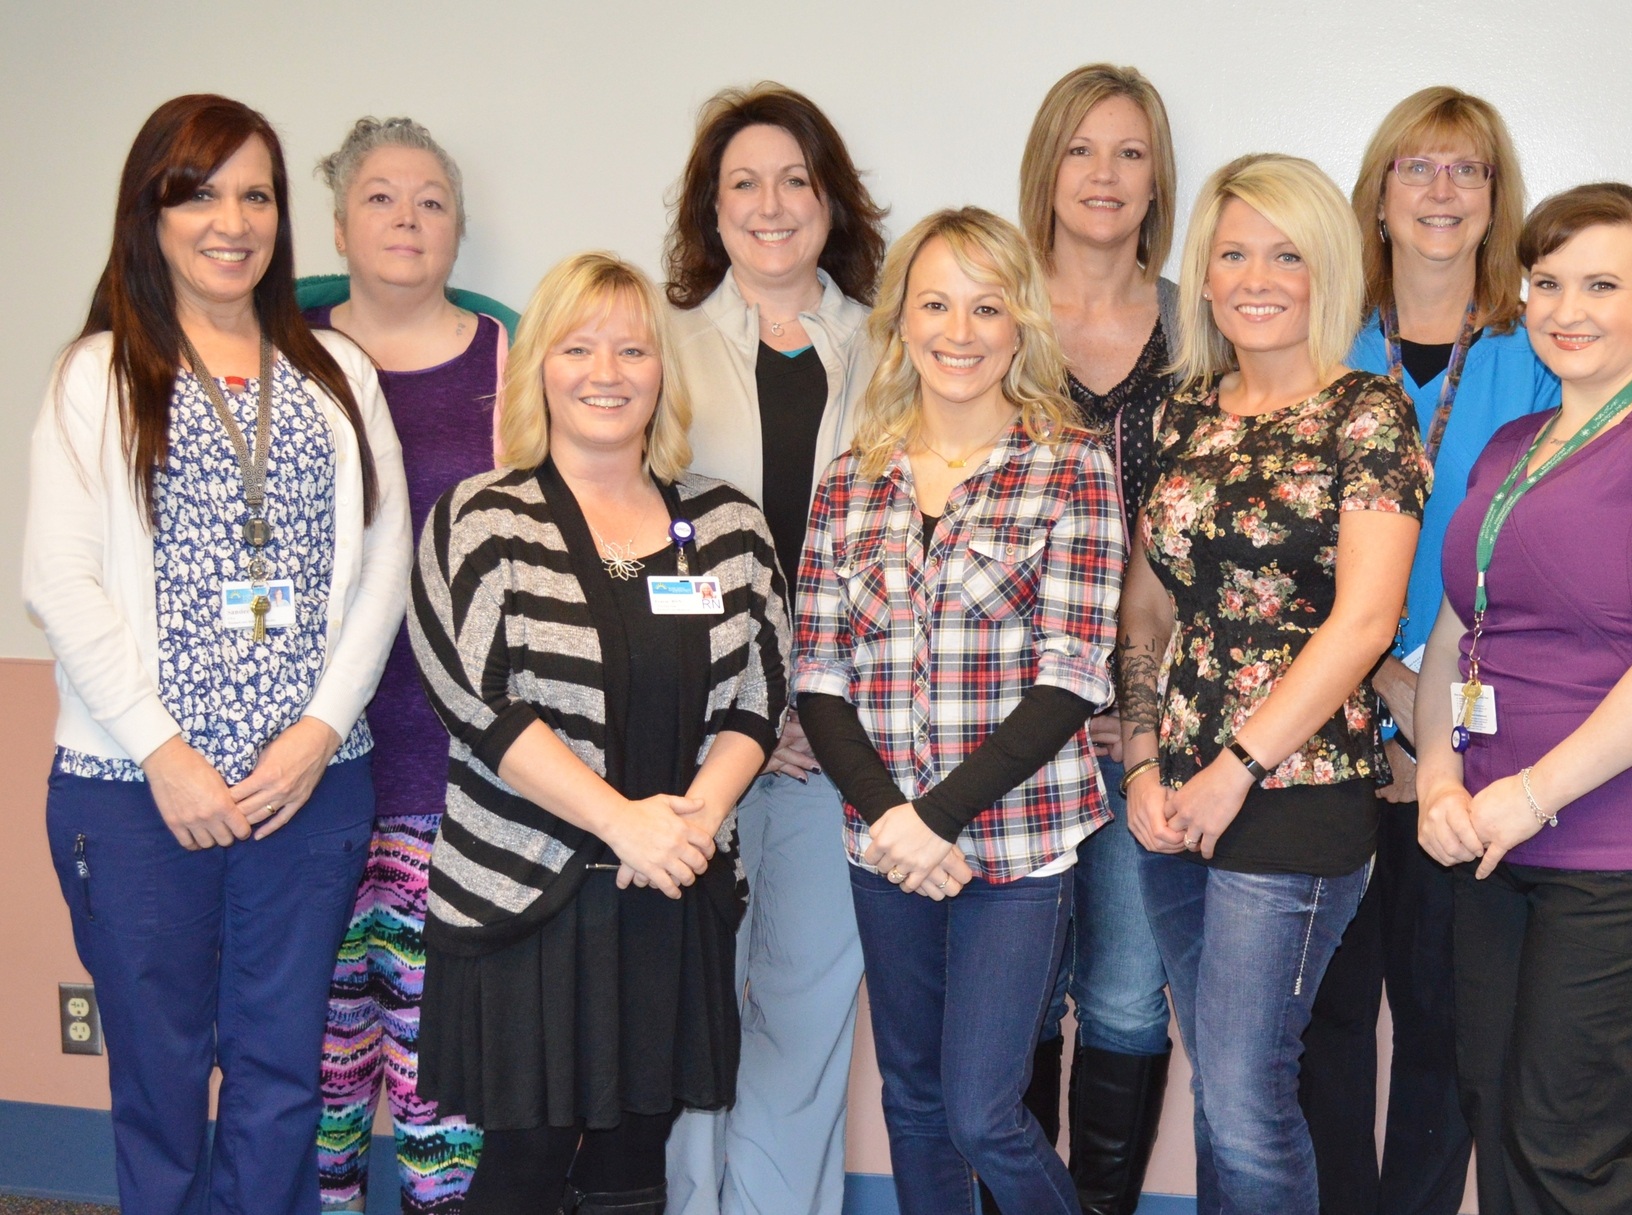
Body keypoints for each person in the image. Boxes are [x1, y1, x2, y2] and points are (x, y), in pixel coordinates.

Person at [25, 93, 410, 1215]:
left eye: (255, 193)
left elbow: (383, 568)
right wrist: (164, 753)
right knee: (156, 1078)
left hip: (308, 792)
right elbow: (59, 583)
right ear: (150, 213)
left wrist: (318, 734)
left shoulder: (340, 377)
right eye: (198, 193)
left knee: (285, 1076)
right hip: (139, 795)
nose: (230, 219)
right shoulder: (94, 376)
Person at [1413, 182, 1632, 1215]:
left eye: (1601, 284)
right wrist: (1438, 776)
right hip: (1487, 838)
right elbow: (1452, 634)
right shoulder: (1506, 446)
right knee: (1496, 1111)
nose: (1566, 309)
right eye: (1546, 283)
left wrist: (1528, 794)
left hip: (1625, 848)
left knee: (1567, 1143)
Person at [408, 253, 787, 1215]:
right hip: (528, 894)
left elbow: (759, 693)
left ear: (664, 368)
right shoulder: (481, 519)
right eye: (577, 347)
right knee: (526, 1162)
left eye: (630, 347)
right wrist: (626, 825)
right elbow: (478, 702)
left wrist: (689, 826)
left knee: (633, 1163)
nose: (606, 371)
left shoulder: (727, 525)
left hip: (670, 893)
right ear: (539, 364)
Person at [792, 206, 1123, 1215]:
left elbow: (1071, 676)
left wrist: (932, 820)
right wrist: (893, 822)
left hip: (1013, 848)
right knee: (915, 1099)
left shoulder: (1071, 468)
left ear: (1020, 324)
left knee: (983, 1110)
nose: (959, 330)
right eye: (935, 303)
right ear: (900, 320)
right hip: (881, 844)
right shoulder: (851, 480)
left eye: (986, 306)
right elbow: (817, 676)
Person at [1117, 153, 1426, 1215]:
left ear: (1324, 271)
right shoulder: (1174, 416)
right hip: (1172, 800)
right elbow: (1148, 610)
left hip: (1295, 796)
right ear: (1201, 273)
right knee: (1220, 1093)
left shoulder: (1367, 415)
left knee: (1248, 1098)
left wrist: (1234, 769)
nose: (1256, 276)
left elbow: (1366, 620)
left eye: (1285, 254)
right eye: (1234, 251)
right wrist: (1143, 756)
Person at [1300, 85, 1558, 1215]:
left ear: (1495, 199)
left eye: (1467, 170)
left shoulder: (1538, 353)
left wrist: (1429, 708)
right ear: (1379, 195)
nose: (1441, 191)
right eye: (1417, 167)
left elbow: (1553, 553)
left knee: (1446, 1026)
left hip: (1472, 745)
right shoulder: (1318, 337)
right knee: (1323, 1021)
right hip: (1322, 725)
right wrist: (1380, 681)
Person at [657, 84, 886, 1215]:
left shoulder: (892, 346)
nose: (771, 203)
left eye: (795, 178)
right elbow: (647, 556)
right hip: (692, 743)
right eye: (742, 181)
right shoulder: (660, 345)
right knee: (695, 1008)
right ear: (711, 205)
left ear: (830, 199)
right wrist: (750, 703)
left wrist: (808, 710)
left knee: (802, 1015)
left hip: (834, 749)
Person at [301, 114, 516, 1215]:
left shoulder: (509, 359)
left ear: (458, 229)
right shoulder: (281, 350)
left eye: (431, 199)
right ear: (338, 221)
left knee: (439, 1068)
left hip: (457, 775)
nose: (407, 218)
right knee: (317, 1062)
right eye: (380, 196)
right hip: (306, 770)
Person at [1011, 62, 1180, 1215]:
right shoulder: (993, 315)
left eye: (1128, 152)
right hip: (1007, 725)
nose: (1104, 176)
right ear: (1045, 168)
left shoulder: (1209, 321)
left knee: (1126, 997)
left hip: (1150, 730)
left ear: (1156, 172)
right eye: (1081, 150)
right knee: (1011, 1004)